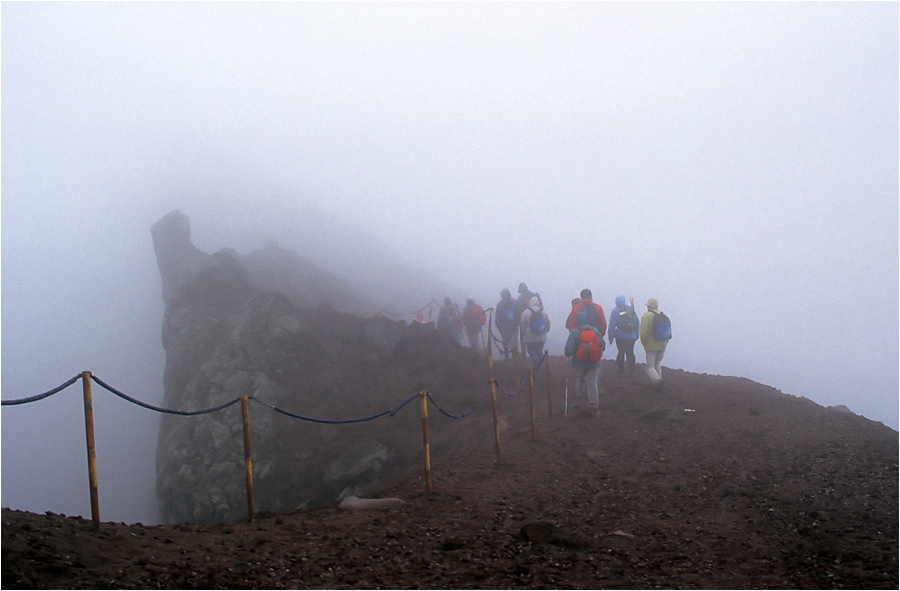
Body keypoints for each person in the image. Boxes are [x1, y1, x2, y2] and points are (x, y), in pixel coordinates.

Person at [564, 311, 605, 417]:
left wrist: (569, 354)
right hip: (594, 363)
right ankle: (594, 407)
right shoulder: (594, 330)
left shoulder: (575, 332)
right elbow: (602, 345)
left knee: (580, 378)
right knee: (592, 384)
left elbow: (568, 349)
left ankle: (578, 397)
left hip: (580, 362)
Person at [640, 297, 669, 391]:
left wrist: (644, 343)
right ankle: (658, 385)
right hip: (663, 344)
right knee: (657, 364)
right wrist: (665, 342)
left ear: (648, 306)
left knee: (650, 367)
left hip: (652, 345)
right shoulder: (664, 315)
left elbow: (644, 332)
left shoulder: (647, 316)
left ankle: (657, 381)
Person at [608, 295, 640, 376]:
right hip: (631, 336)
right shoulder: (631, 310)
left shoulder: (615, 311)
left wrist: (610, 337)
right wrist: (636, 334)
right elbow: (637, 323)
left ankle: (620, 369)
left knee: (621, 352)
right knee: (630, 352)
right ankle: (632, 370)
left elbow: (612, 325)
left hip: (620, 335)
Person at [520, 296, 550, 374]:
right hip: (542, 337)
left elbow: (522, 325)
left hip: (530, 338)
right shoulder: (543, 312)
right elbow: (547, 323)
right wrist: (546, 331)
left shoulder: (525, 312)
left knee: (530, 349)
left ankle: (535, 360)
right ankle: (540, 370)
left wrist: (522, 335)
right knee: (539, 351)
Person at [495, 288, 518, 359]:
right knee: (514, 343)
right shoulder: (513, 304)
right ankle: (515, 358)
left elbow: (497, 318)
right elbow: (517, 315)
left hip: (504, 328)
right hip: (513, 327)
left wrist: (500, 328)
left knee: (505, 342)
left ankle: (506, 357)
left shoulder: (499, 305)